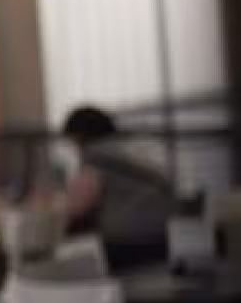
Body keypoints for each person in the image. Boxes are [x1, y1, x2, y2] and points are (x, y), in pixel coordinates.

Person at [58, 105, 176, 272]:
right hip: (163, 236)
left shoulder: (96, 157)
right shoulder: (136, 149)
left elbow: (77, 206)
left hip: (125, 242)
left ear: (80, 135)